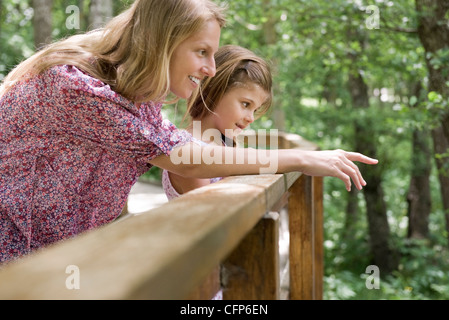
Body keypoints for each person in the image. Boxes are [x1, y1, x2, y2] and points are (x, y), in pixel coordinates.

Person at [0, 0, 377, 265]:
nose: (211, 68)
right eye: (201, 51)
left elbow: (183, 144)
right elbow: (184, 156)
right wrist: (302, 158)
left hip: (55, 257)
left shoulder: (134, 100)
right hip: (15, 260)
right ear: (161, 41)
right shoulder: (76, 89)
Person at [162, 44, 273, 199]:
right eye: (246, 104)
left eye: (255, 110)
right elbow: (211, 213)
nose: (251, 118)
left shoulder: (224, 144)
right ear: (216, 90)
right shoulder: (189, 152)